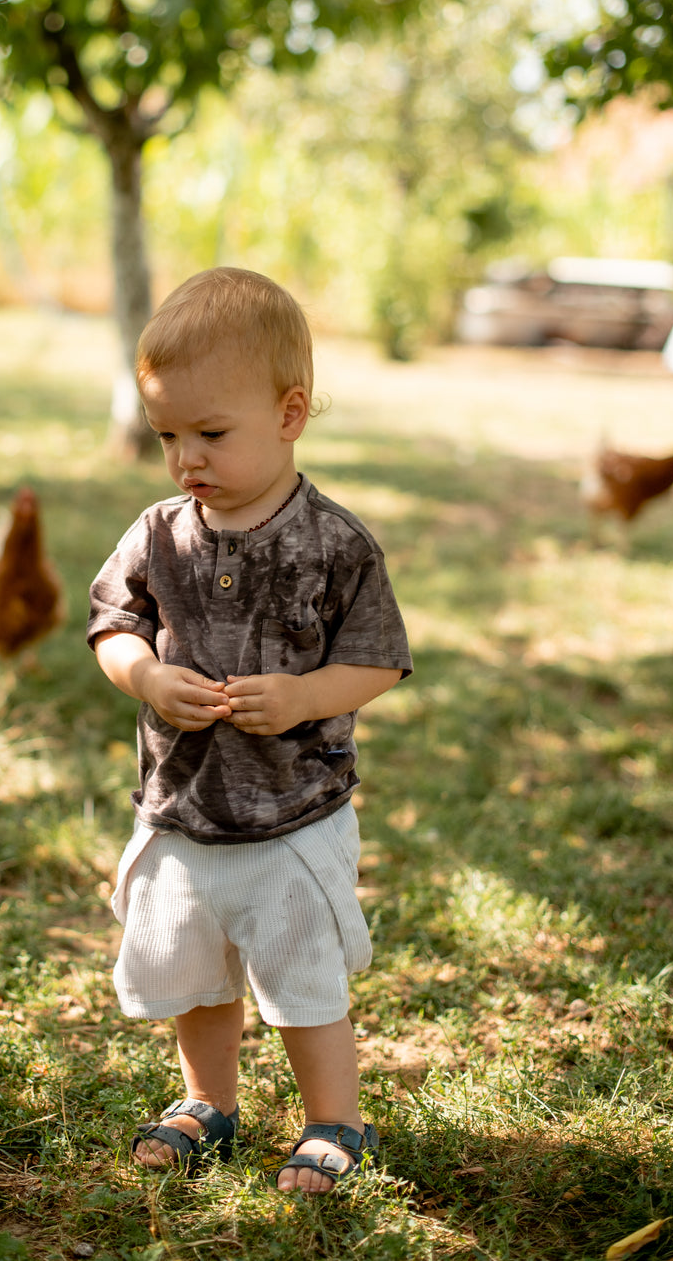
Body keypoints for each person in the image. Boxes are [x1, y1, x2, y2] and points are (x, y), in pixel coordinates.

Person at [87, 267, 412, 1194]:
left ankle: (335, 1122)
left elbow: (379, 658)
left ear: (290, 412)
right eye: (168, 436)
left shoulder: (334, 544)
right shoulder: (157, 534)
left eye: (211, 433)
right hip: (183, 806)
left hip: (294, 812)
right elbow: (113, 627)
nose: (187, 456)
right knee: (196, 972)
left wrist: (307, 698)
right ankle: (208, 1102)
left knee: (301, 972)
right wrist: (146, 675)